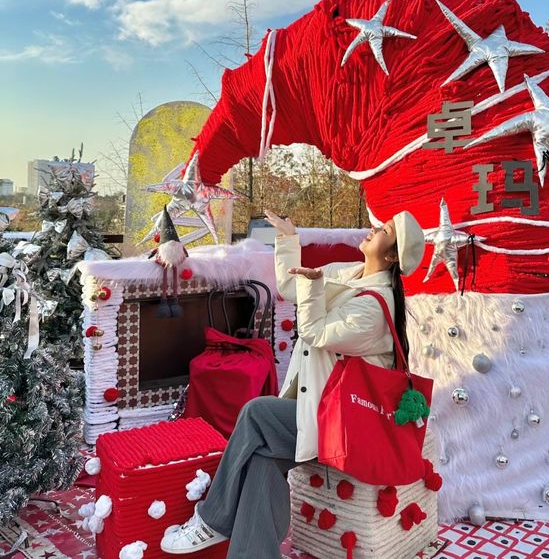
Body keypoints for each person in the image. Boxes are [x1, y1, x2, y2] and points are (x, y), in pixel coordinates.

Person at [161, 209, 425, 558]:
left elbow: (316, 333)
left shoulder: (377, 308)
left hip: (348, 427)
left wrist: (314, 286)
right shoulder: (348, 273)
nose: (374, 228)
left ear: (392, 256)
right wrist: (288, 239)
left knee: (257, 413)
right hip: (323, 409)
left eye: (385, 231)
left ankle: (213, 519)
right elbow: (289, 287)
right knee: (262, 461)